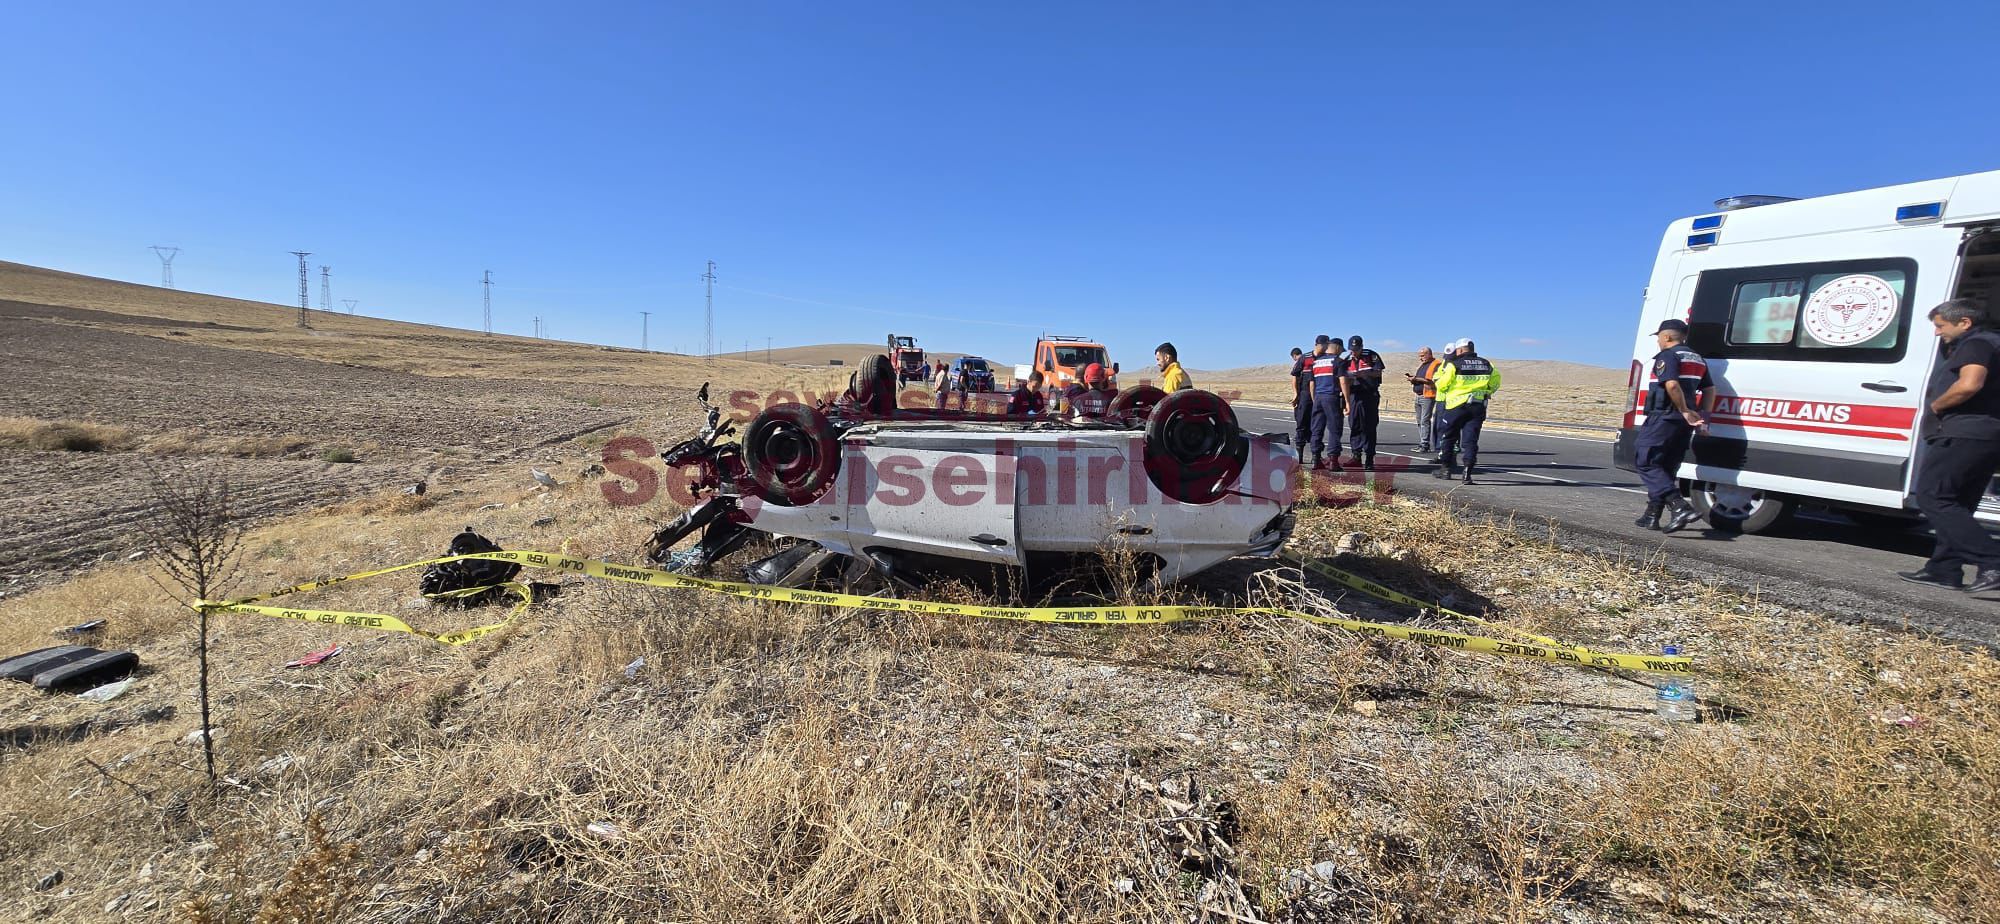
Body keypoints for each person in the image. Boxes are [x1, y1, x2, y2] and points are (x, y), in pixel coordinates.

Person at [1900, 299, 2000, 593]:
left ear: (1964, 323)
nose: (1936, 333)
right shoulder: (1994, 343)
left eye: (1940, 326)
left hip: (1963, 432)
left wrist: (1937, 405)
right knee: (1959, 502)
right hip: (1987, 434)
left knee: (1934, 497)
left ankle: (1992, 562)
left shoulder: (1977, 344)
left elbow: (1970, 384)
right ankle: (1944, 568)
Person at [1632, 320, 1716, 532]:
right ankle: (1652, 515)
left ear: (1667, 337)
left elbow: (1671, 384)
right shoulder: (1697, 359)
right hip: (1683, 422)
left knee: (1646, 460)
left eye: (1659, 337)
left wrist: (1684, 410)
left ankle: (1679, 506)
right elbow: (1709, 390)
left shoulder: (1668, 356)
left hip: (1665, 416)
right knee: (1666, 466)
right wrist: (1702, 418)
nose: (1658, 341)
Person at [1431, 339, 1501, 483]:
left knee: (1449, 437)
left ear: (1461, 350)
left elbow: (1443, 384)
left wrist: (1442, 386)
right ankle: (1467, 473)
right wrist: (1486, 391)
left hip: (1456, 406)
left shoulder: (1453, 364)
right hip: (1477, 406)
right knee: (1471, 440)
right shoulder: (1487, 364)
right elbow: (1495, 382)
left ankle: (1446, 469)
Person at [1343, 335, 1385, 471]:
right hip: (1354, 395)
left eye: (1356, 349)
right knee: (1354, 425)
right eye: (1351, 349)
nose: (1353, 352)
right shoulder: (1347, 359)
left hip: (1369, 395)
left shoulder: (1371, 355)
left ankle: (1369, 458)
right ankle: (1356, 456)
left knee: (1369, 426)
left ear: (1361, 347)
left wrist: (1363, 373)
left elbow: (1378, 372)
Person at [1307, 335, 1346, 470]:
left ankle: (1315, 458)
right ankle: (1333, 461)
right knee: (1335, 429)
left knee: (1316, 428)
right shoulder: (1338, 361)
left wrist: (1314, 399)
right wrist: (1347, 400)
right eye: (1341, 350)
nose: (1342, 352)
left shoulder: (1316, 362)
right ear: (1337, 348)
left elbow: (1312, 384)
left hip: (1318, 397)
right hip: (1332, 396)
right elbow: (1343, 381)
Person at [1406, 346, 1441, 453]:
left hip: (1428, 396)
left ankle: (1425, 444)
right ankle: (1422, 442)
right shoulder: (1423, 365)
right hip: (1418, 395)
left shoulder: (1436, 364)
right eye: (1420, 356)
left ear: (1429, 354)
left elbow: (1433, 381)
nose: (1421, 358)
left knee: (1424, 420)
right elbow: (1422, 379)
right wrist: (1413, 379)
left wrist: (1416, 379)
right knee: (1419, 420)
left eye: (1422, 356)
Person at [1289, 347, 1313, 452]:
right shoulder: (1307, 360)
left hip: (1303, 393)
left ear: (1294, 356)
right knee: (1310, 416)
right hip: (1311, 394)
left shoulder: (1300, 362)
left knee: (1300, 416)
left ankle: (1301, 438)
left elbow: (1295, 378)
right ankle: (1307, 436)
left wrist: (1295, 394)